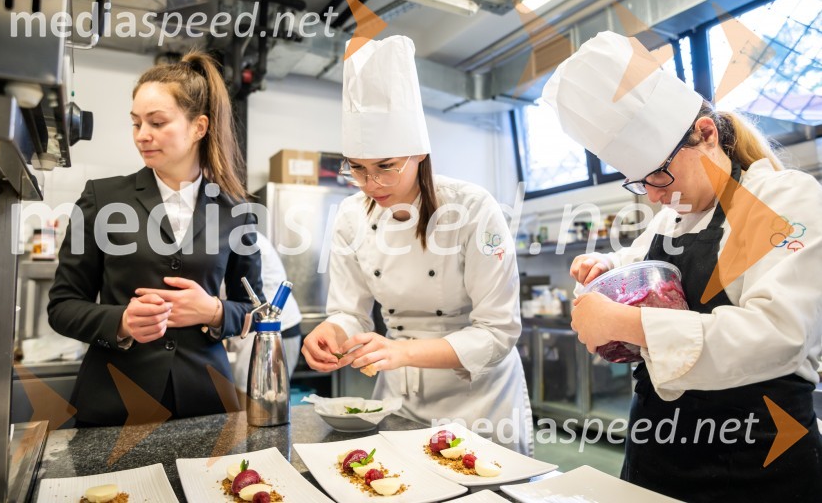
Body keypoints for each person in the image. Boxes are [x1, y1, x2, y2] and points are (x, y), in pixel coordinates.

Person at [541, 31, 822, 501]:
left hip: (759, 456)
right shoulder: (674, 218)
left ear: (707, 134)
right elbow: (634, 266)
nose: (652, 195)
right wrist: (602, 268)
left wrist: (628, 321)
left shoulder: (784, 198)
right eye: (639, 183)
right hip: (659, 449)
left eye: (658, 175)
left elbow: (779, 333)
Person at [301, 36, 534, 455]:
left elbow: (498, 332)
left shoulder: (474, 208)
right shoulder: (352, 216)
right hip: (399, 398)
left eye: (385, 167)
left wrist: (402, 352)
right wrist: (331, 330)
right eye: (357, 169)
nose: (371, 184)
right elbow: (350, 313)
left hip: (479, 400)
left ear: (419, 154)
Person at [48, 51, 263, 426]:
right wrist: (122, 322)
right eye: (136, 123)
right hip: (115, 401)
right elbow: (63, 306)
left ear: (199, 127)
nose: (142, 136)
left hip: (206, 401)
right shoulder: (101, 198)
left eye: (157, 122)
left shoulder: (237, 212)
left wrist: (214, 312)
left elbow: (255, 309)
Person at [227, 231, 302, 393]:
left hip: (272, 330)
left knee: (257, 395)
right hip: (266, 328)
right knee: (263, 396)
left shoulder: (241, 236)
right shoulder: (231, 232)